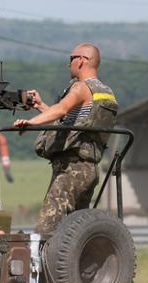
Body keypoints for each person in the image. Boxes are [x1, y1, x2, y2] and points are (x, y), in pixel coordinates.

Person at [13, 43, 118, 233]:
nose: (68, 64)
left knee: (47, 227)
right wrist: (41, 106)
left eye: (71, 59)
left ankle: (36, 261)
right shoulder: (105, 93)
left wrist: (31, 123)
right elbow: (75, 125)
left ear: (81, 61)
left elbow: (61, 109)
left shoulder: (80, 88)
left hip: (71, 168)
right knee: (74, 230)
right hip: (89, 169)